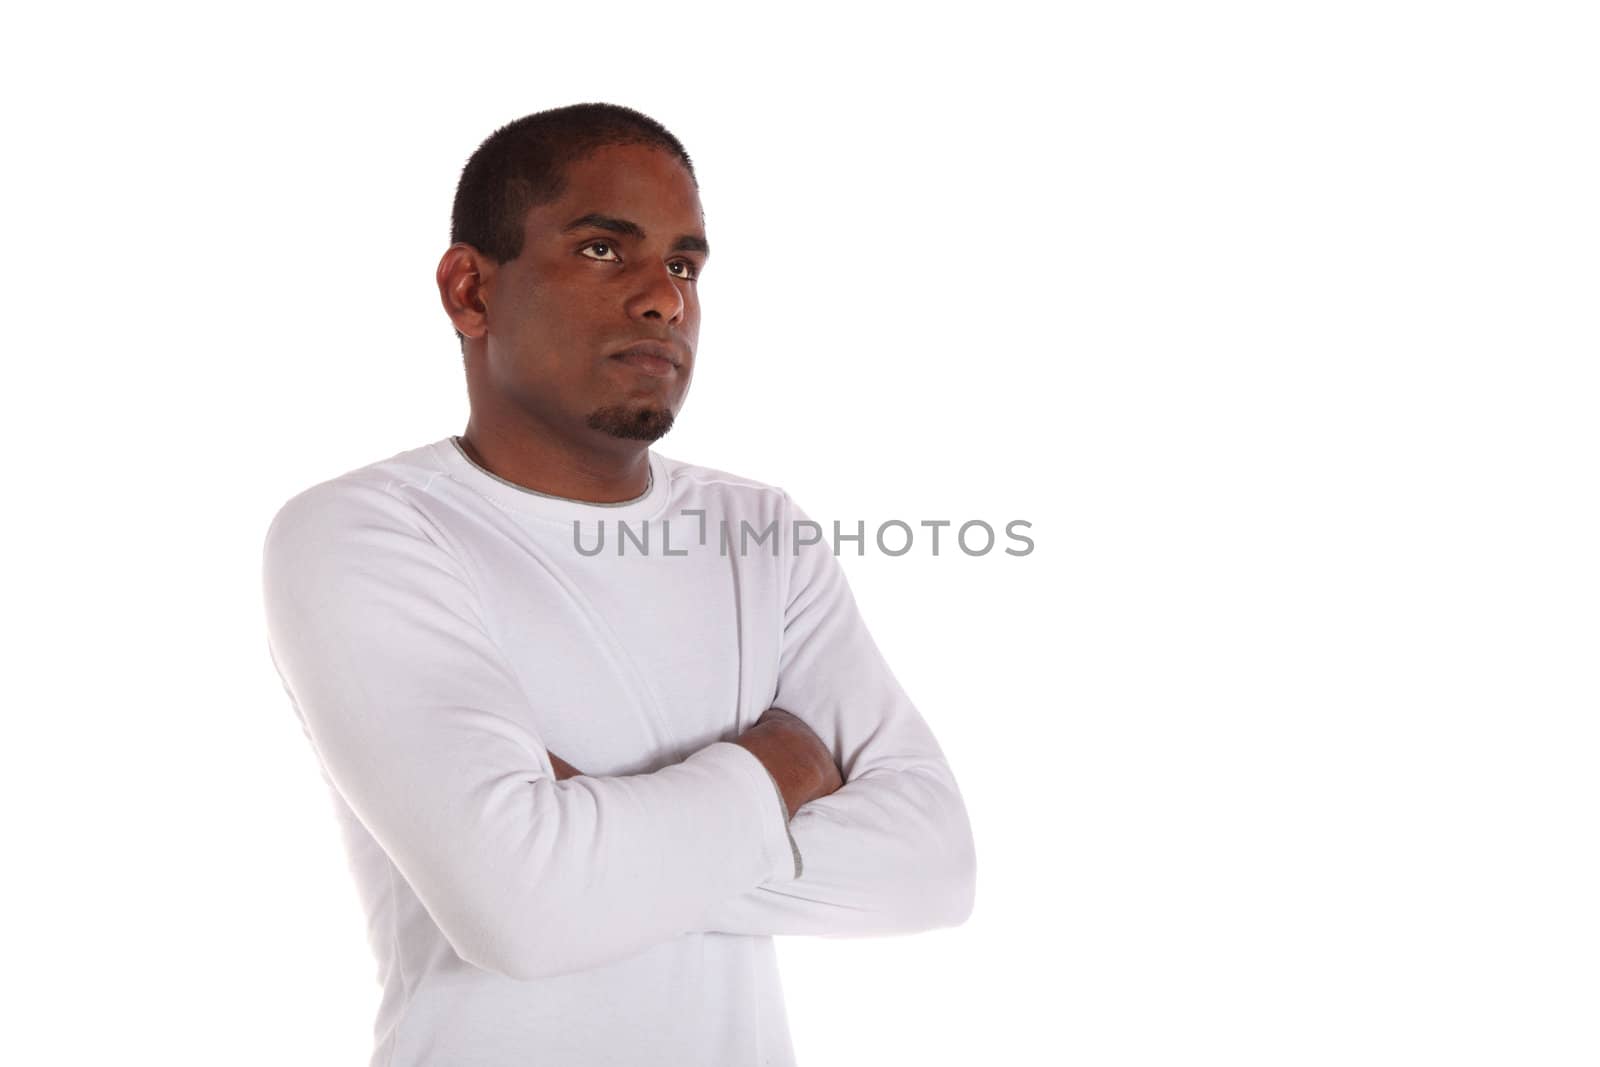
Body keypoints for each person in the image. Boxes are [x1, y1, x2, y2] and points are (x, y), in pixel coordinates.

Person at [260, 101, 976, 1067]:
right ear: (471, 290)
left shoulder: (758, 530)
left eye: (685, 265)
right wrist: (778, 768)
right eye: (605, 250)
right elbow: (520, 912)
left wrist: (579, 843)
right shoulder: (366, 531)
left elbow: (933, 867)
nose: (664, 299)